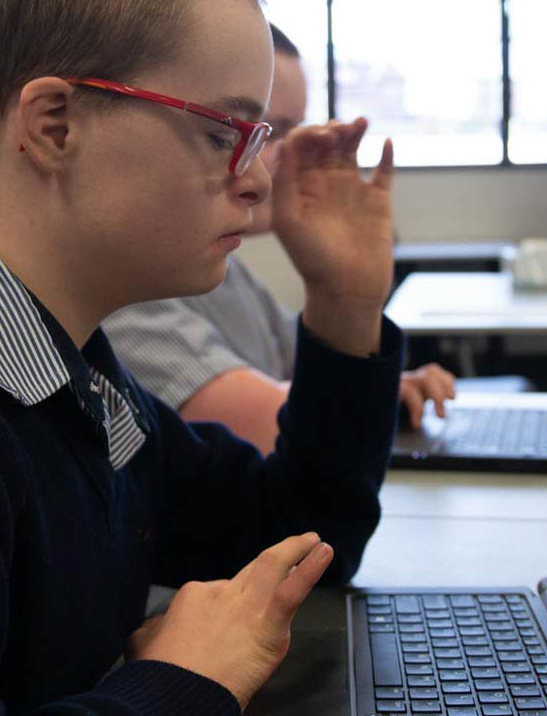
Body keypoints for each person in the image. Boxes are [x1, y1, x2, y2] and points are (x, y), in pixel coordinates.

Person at [0, 0, 402, 712]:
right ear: (55, 124)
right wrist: (181, 684)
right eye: (224, 133)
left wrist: (344, 306)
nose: (258, 181)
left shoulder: (81, 382)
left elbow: (304, 538)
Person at [103, 25, 456, 455]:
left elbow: (320, 386)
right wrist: (372, 395)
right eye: (229, 133)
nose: (274, 165)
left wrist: (349, 308)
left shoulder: (227, 270)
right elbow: (294, 436)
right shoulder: (124, 290)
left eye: (281, 133)